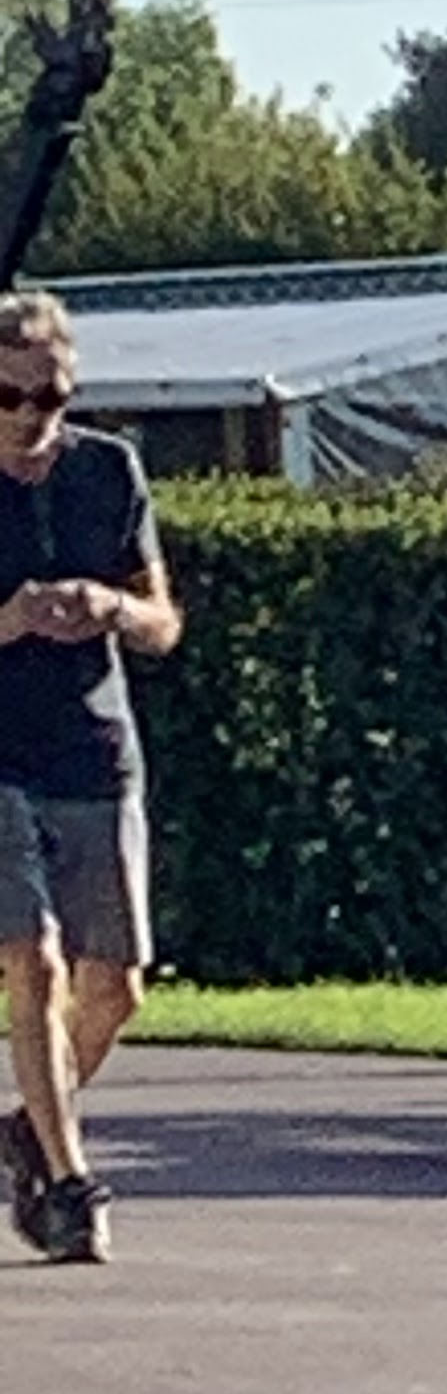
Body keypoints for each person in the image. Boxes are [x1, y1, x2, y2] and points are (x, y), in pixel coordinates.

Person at [0, 290, 181, 1265]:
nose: (33, 416)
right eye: (12, 397)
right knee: (32, 958)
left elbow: (163, 622)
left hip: (93, 748)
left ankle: (30, 1127)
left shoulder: (108, 469)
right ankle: (70, 1188)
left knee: (116, 986)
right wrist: (9, 620)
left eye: (53, 396)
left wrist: (109, 607)